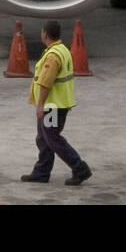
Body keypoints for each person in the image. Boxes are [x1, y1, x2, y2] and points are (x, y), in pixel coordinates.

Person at [21, 19, 93, 185]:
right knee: (43, 138)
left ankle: (79, 167)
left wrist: (40, 105)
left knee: (52, 138)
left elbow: (46, 82)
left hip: (52, 106)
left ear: (45, 34)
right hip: (56, 104)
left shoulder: (53, 56)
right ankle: (41, 172)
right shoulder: (62, 50)